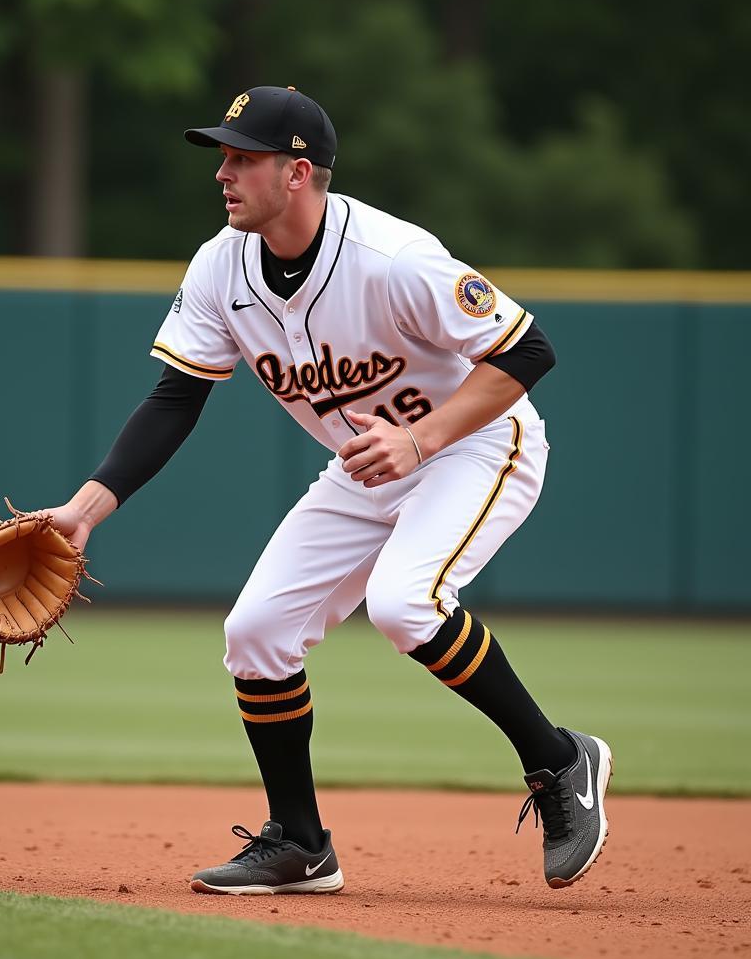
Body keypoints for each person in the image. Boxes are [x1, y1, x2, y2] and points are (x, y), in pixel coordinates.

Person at [42, 86, 612, 895]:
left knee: (405, 604)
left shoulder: (392, 256)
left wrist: (421, 439)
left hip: (476, 445)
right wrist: (84, 510)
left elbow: (529, 351)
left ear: (298, 172)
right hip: (366, 464)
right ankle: (300, 844)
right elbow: (176, 396)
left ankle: (560, 761)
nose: (223, 174)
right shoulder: (220, 266)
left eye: (242, 159)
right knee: (257, 631)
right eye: (223, 157)